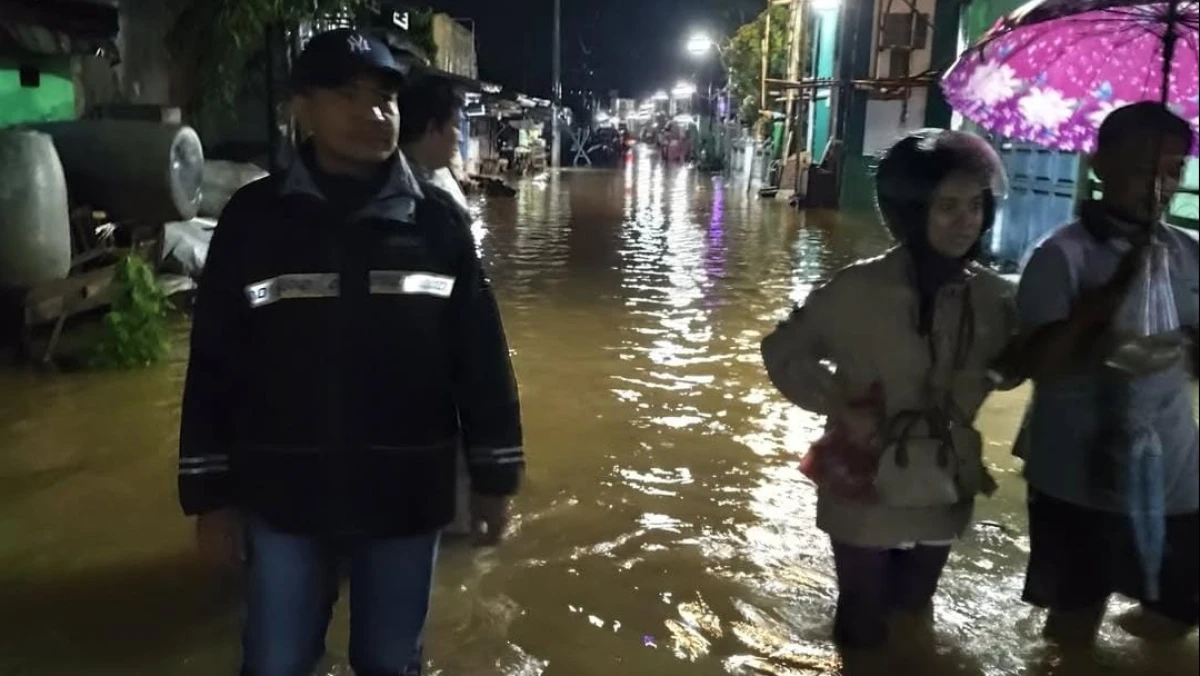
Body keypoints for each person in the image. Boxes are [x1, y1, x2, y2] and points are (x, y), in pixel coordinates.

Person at [177, 29, 524, 676]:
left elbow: (479, 357)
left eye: (386, 97)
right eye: (348, 94)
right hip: (284, 494)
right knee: (276, 659)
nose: (374, 112)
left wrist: (495, 478)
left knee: (390, 661)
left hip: (403, 494)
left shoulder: (436, 226)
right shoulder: (254, 221)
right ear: (301, 107)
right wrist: (209, 498)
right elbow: (215, 364)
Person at [761, 129, 1017, 648]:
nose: (964, 220)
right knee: (859, 615)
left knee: (915, 607)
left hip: (946, 475)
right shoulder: (854, 290)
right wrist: (839, 404)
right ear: (910, 209)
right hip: (865, 474)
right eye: (946, 205)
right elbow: (782, 352)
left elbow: (1014, 366)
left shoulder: (996, 298)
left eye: (974, 205)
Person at [1012, 102, 1198, 644]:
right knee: (1072, 621)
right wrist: (1111, 296)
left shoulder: (1188, 255)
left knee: (1176, 615)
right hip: (1075, 474)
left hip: (1175, 473)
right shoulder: (1060, 256)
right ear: (1100, 165)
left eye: (1173, 171)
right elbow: (1034, 366)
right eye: (1144, 168)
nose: (1159, 186)